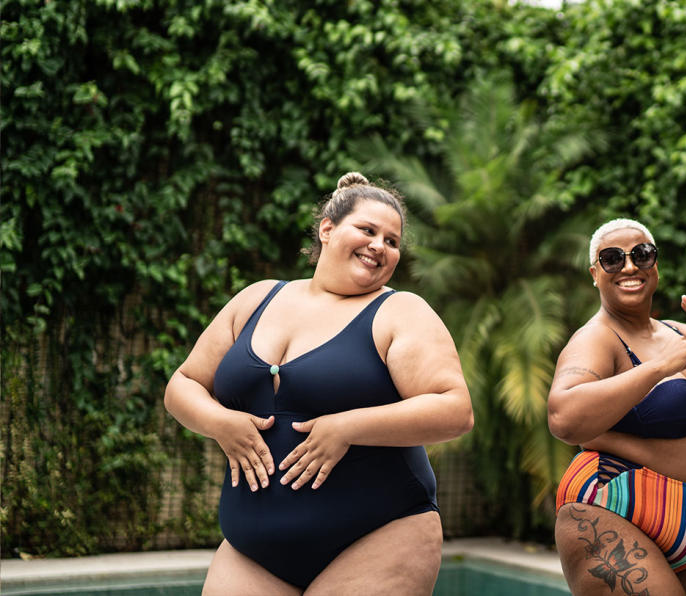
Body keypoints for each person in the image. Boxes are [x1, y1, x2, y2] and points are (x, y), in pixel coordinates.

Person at [164, 173, 473, 595]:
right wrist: (220, 422)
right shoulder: (257, 299)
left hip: (379, 537)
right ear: (327, 229)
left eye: (392, 240)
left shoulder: (401, 312)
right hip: (251, 551)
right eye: (367, 230)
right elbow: (183, 383)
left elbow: (454, 409)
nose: (380, 245)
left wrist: (346, 427)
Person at [548, 218, 686, 596]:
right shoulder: (597, 339)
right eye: (611, 259)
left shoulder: (681, 334)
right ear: (595, 273)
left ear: (655, 263)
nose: (630, 266)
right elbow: (563, 416)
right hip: (611, 508)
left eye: (641, 254)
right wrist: (658, 369)